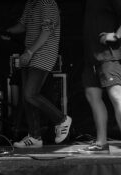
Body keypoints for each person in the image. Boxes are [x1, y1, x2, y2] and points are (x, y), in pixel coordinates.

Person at [5, 0, 72, 147]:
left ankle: (62, 119)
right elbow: (22, 26)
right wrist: (5, 30)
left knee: (30, 94)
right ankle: (35, 136)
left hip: (43, 53)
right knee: (27, 97)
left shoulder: (47, 3)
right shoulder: (30, 3)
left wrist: (29, 52)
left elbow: (47, 30)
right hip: (31, 53)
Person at [81, 0, 121, 154]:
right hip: (91, 56)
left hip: (109, 54)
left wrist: (117, 35)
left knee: (116, 95)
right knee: (93, 96)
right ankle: (101, 142)